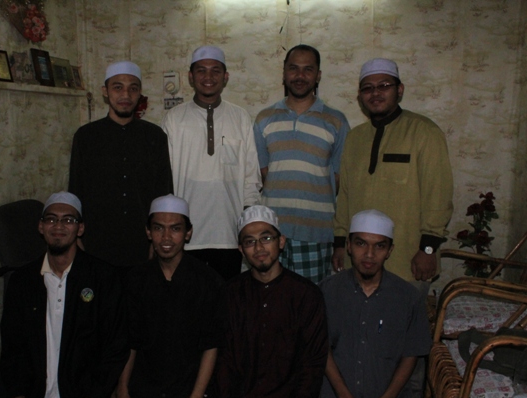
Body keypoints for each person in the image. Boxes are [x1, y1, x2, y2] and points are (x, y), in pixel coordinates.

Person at [0, 191, 128, 398]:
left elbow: (116, 345)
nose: (58, 226)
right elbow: (12, 345)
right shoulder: (22, 282)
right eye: (51, 219)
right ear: (41, 227)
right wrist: (15, 394)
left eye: (68, 220)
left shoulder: (103, 278)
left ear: (80, 228)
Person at [332, 57, 453, 286]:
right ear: (360, 96)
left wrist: (428, 248)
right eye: (367, 88)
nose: (375, 93)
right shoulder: (354, 138)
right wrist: (339, 244)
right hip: (358, 262)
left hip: (408, 260)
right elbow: (345, 196)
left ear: (400, 90)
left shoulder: (424, 132)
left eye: (384, 85)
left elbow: (438, 195)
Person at [108, 194, 225, 398]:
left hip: (186, 397)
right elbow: (129, 343)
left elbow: (211, 346)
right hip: (141, 396)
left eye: (175, 229)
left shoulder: (208, 281)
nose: (166, 237)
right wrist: (122, 393)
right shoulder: (135, 280)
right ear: (148, 232)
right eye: (159, 228)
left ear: (188, 233)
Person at [213, 205, 328, 398]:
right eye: (250, 241)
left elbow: (313, 364)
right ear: (241, 250)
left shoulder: (306, 295)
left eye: (266, 238)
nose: (259, 248)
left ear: (281, 242)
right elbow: (223, 358)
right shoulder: (230, 294)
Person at [318, 209, 431, 398]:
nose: (369, 254)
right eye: (361, 244)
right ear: (348, 246)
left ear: (389, 251)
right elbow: (322, 349)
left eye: (379, 246)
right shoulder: (327, 292)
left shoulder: (408, 297)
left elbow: (411, 354)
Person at [161, 45, 262, 280]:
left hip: (228, 234)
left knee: (225, 299)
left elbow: (251, 175)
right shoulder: (174, 119)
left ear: (225, 77)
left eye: (216, 71)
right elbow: (164, 178)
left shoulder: (240, 117)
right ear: (191, 77)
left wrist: (248, 223)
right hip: (185, 237)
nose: (209, 77)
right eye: (201, 70)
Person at [254, 44, 350, 284]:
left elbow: (339, 178)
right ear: (284, 73)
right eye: (293, 68)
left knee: (311, 300)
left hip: (316, 233)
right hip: (272, 231)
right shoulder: (264, 119)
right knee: (271, 300)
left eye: (308, 69)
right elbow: (264, 174)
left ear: (318, 75)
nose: (300, 75)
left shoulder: (336, 121)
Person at [69, 61, 173, 269]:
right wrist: (76, 236)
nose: (126, 95)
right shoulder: (86, 136)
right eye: (118, 87)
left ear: (139, 93)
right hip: (97, 241)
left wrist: (157, 239)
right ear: (105, 91)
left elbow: (163, 192)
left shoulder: (154, 136)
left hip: (141, 241)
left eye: (133, 88)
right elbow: (76, 190)